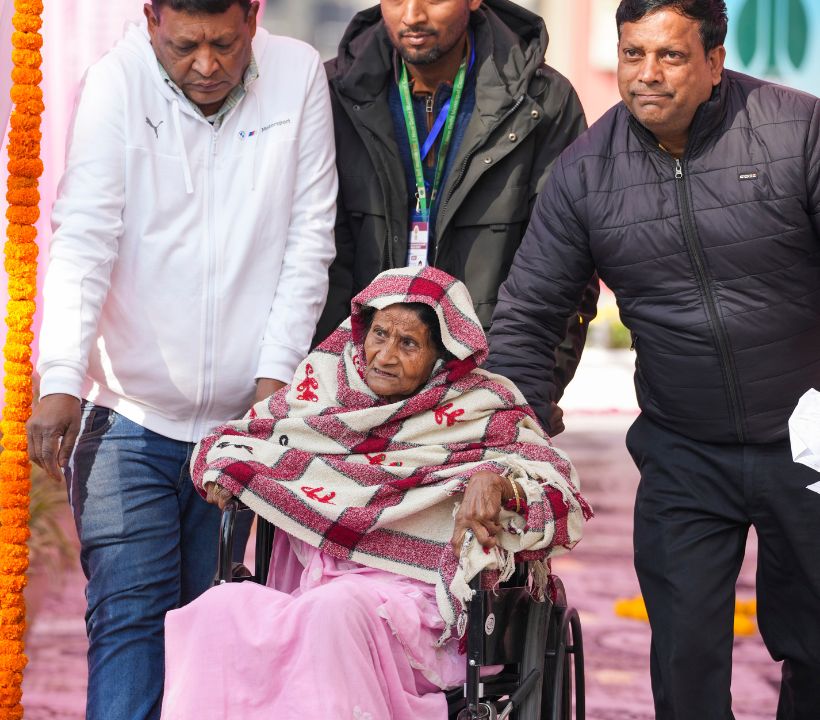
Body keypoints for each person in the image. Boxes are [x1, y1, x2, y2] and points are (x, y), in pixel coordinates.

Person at [487, 0, 820, 717]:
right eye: (633, 53)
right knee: (684, 662)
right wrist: (507, 447)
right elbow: (529, 315)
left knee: (817, 647)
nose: (647, 75)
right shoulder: (584, 175)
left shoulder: (798, 130)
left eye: (670, 56)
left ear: (714, 61)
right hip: (683, 449)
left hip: (809, 437)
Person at [25, 1, 337, 718]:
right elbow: (84, 237)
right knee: (130, 616)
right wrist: (63, 379)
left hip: (240, 421)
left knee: (209, 629)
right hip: (125, 412)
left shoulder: (297, 77)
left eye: (224, 45)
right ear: (151, 20)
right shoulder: (116, 81)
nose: (206, 65)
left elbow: (308, 238)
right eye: (185, 46)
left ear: (254, 17)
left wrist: (271, 392)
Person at [160, 266, 590, 719]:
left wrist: (501, 485)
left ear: (441, 356)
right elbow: (239, 437)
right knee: (218, 608)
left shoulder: (483, 405)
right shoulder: (322, 388)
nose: (384, 356)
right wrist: (223, 467)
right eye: (379, 334)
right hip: (310, 590)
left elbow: (560, 495)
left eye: (408, 344)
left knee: (335, 610)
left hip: (424, 605)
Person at [315, 0, 600, 433]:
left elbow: (565, 275)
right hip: (351, 398)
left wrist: (519, 402)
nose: (412, 15)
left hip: (483, 401)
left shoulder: (542, 102)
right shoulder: (332, 92)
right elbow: (313, 257)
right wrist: (329, 391)